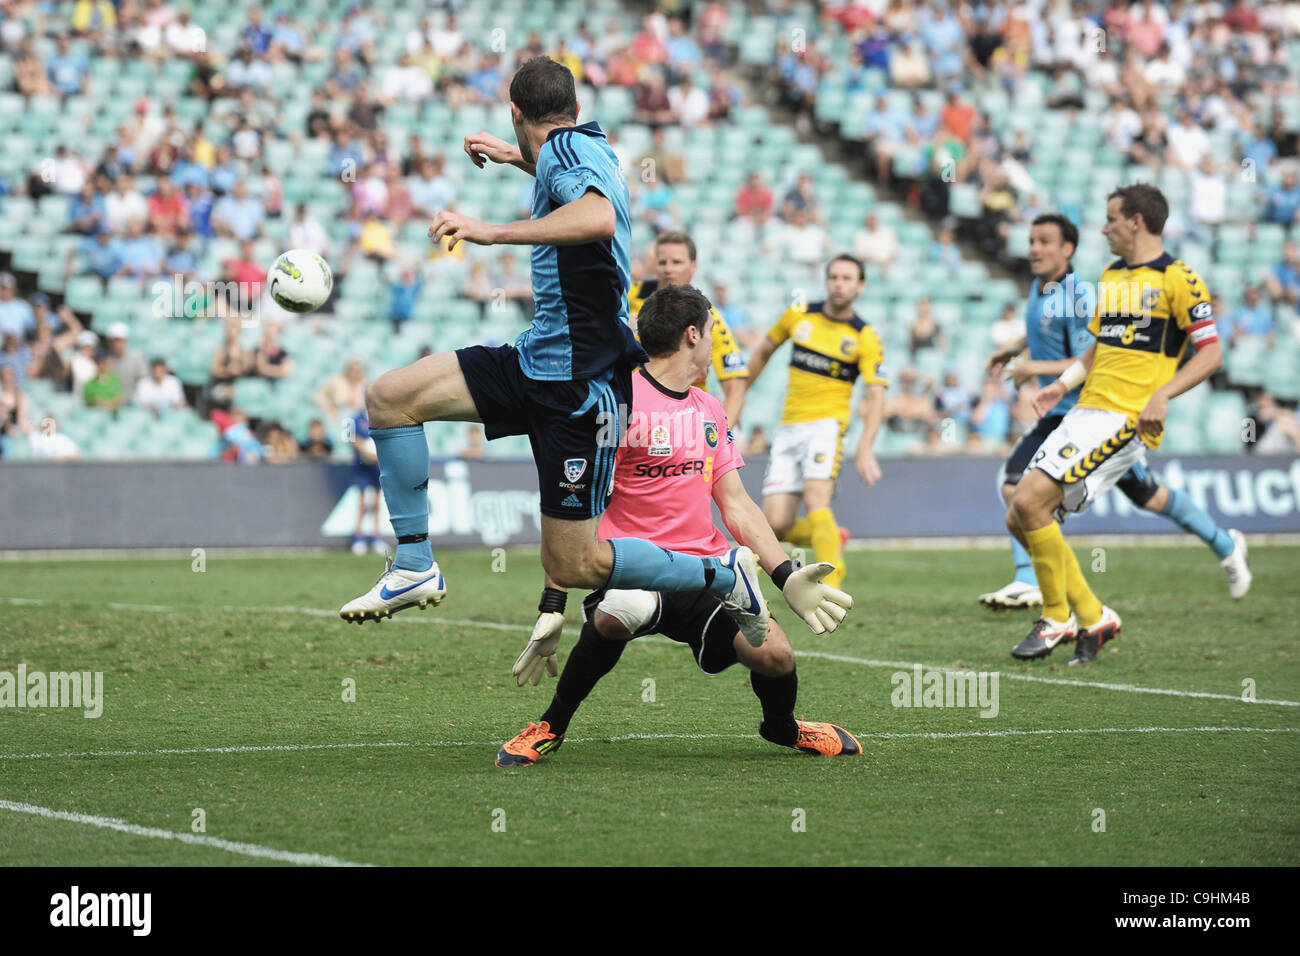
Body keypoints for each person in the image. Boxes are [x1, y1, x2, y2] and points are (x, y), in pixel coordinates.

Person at [339, 58, 803, 633]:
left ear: (515, 112)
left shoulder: (564, 155)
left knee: (575, 563)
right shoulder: (585, 147)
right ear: (574, 108)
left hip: (580, 388)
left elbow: (599, 216)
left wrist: (491, 230)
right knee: (390, 397)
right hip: (537, 360)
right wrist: (520, 161)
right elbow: (574, 186)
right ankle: (413, 564)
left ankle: (722, 573)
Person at [498, 285, 857, 767]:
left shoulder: (709, 409)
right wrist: (554, 600)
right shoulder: (618, 402)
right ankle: (550, 726)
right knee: (615, 613)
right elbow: (574, 505)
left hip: (706, 572)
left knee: (776, 657)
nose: (715, 340)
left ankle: (783, 728)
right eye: (712, 330)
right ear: (693, 334)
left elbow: (736, 505)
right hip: (631, 566)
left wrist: (785, 574)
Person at [1007, 185, 1240, 667]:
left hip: (1124, 420)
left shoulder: (1180, 279)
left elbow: (1212, 354)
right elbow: (1100, 346)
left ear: (1136, 221)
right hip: (1084, 411)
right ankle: (1095, 617)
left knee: (1030, 503)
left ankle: (1057, 618)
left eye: (1111, 218)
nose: (1103, 227)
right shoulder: (1111, 275)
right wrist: (1063, 382)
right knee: (1020, 515)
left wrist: (1163, 393)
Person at [741, 255, 887, 590]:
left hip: (827, 426)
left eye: (847, 278)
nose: (839, 283)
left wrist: (866, 447)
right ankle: (831, 537)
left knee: (816, 498)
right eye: (834, 276)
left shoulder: (864, 336)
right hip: (789, 427)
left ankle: (832, 587)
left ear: (860, 286)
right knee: (776, 524)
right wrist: (740, 395)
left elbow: (877, 395)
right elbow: (763, 350)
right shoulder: (799, 314)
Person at [627, 230, 747, 424]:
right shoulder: (628, 297)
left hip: (686, 423)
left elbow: (735, 384)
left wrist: (723, 436)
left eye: (677, 262)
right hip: (634, 416)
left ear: (693, 267)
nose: (668, 269)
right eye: (662, 262)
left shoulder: (708, 316)